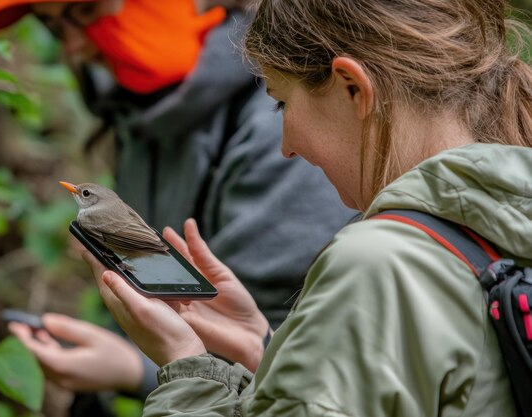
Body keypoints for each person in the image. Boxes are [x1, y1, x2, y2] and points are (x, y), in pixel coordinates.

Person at [81, 0, 532, 415]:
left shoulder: (378, 264)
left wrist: (184, 366)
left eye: (281, 103)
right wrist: (267, 350)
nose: (285, 148)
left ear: (352, 87)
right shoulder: (500, 218)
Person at [0, 0, 354, 413]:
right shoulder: (138, 109)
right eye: (53, 27)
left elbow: (294, 345)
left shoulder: (279, 130)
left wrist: (133, 368)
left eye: (86, 10)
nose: (73, 48)